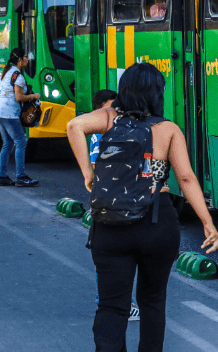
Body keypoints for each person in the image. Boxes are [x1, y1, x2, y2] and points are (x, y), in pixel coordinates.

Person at [67, 63, 218, 352]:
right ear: (156, 93)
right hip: (156, 223)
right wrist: (207, 221)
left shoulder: (109, 117)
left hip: (110, 226)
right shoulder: (167, 129)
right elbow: (186, 178)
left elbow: (74, 126)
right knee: (152, 301)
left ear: (124, 90)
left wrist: (87, 171)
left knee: (112, 307)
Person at [86, 89, 141, 322]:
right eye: (110, 106)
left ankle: (110, 301)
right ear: (100, 108)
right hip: (112, 202)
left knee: (109, 256)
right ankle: (121, 304)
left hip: (108, 200)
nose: (115, 111)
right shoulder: (100, 133)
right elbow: (97, 165)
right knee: (116, 256)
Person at [0, 47, 40, 187]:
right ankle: (21, 177)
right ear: (19, 60)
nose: (27, 59)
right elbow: (19, 97)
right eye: (25, 57)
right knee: (21, 142)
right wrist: (34, 96)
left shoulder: (6, 72)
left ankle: (2, 177)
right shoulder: (18, 76)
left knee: (7, 143)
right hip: (9, 113)